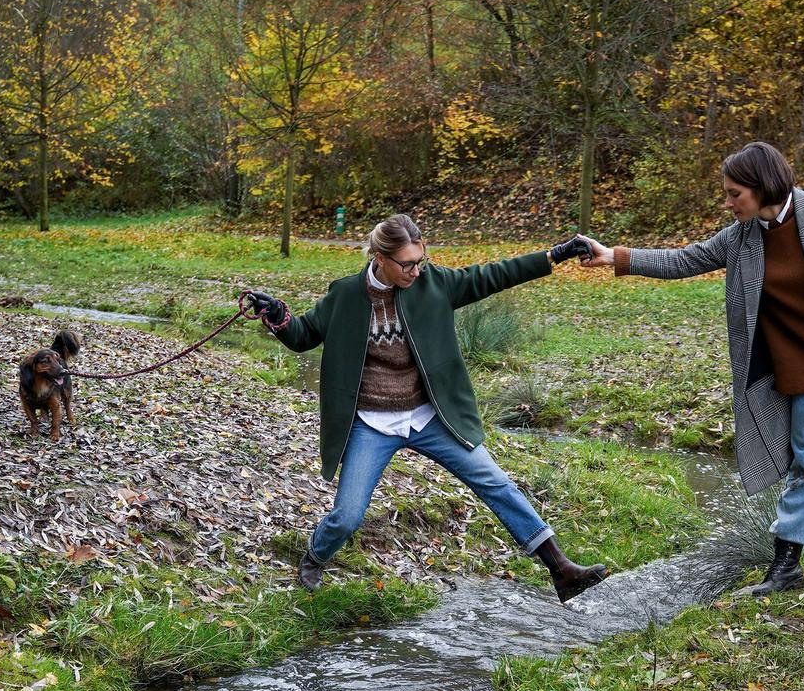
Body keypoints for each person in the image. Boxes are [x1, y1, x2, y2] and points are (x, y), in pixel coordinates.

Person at [578, 141, 804, 596]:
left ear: (764, 188)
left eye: (734, 194)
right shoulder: (742, 237)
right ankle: (786, 567)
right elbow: (686, 259)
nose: (727, 203)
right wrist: (615, 257)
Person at [247, 213, 610, 602]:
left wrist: (554, 255)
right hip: (371, 424)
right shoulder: (345, 295)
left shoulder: (436, 284)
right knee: (348, 515)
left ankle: (562, 571)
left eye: (420, 260)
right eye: (407, 264)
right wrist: (278, 316)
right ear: (379, 257)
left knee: (497, 483)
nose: (416, 270)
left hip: (431, 417)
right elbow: (303, 336)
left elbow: (495, 275)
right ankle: (315, 556)